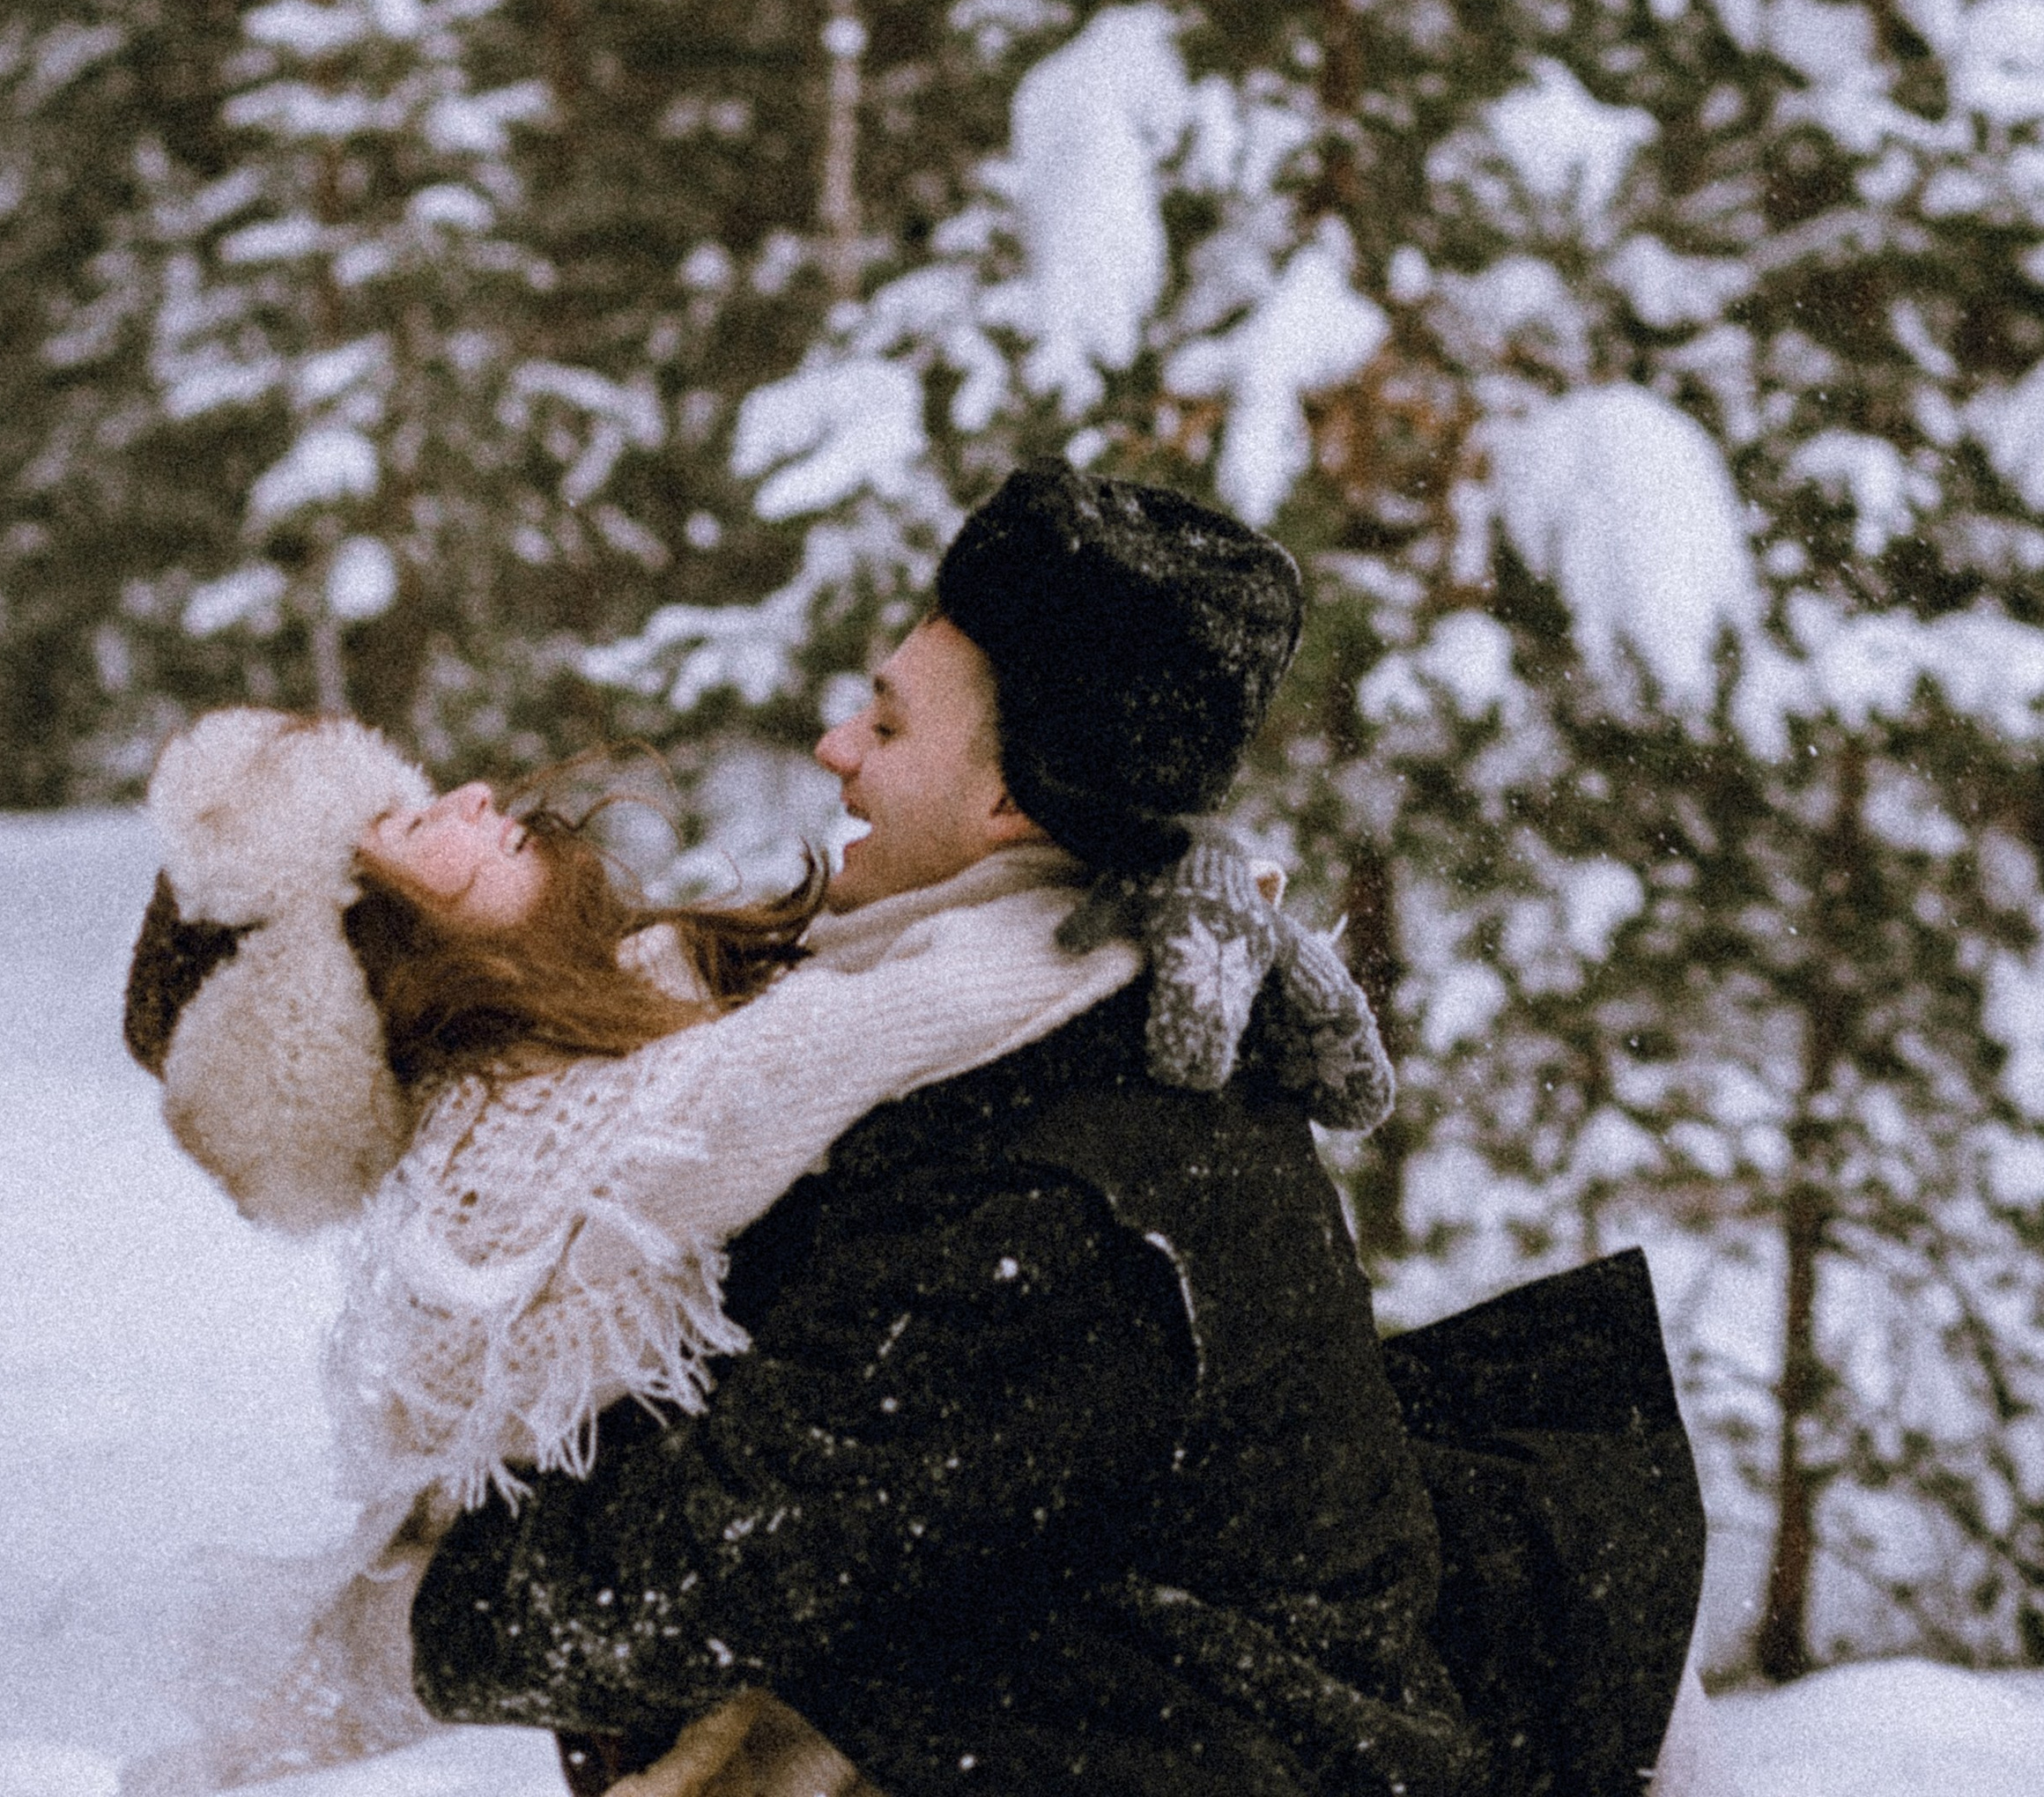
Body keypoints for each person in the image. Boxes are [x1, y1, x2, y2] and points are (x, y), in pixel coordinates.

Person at [402, 463, 1717, 1797]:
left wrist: (424, 1617)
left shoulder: (1056, 1185)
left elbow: (690, 1579)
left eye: (890, 726)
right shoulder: (1006, 1007)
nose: (835, 750)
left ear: (1012, 808)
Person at [121, 581, 1386, 1790]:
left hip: (1066, 1719)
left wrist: (1153, 873)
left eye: (887, 721)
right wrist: (1134, 885)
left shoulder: (732, 994)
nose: (466, 794)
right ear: (369, 955)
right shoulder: (521, 1204)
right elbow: (712, 1545)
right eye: (407, 830)